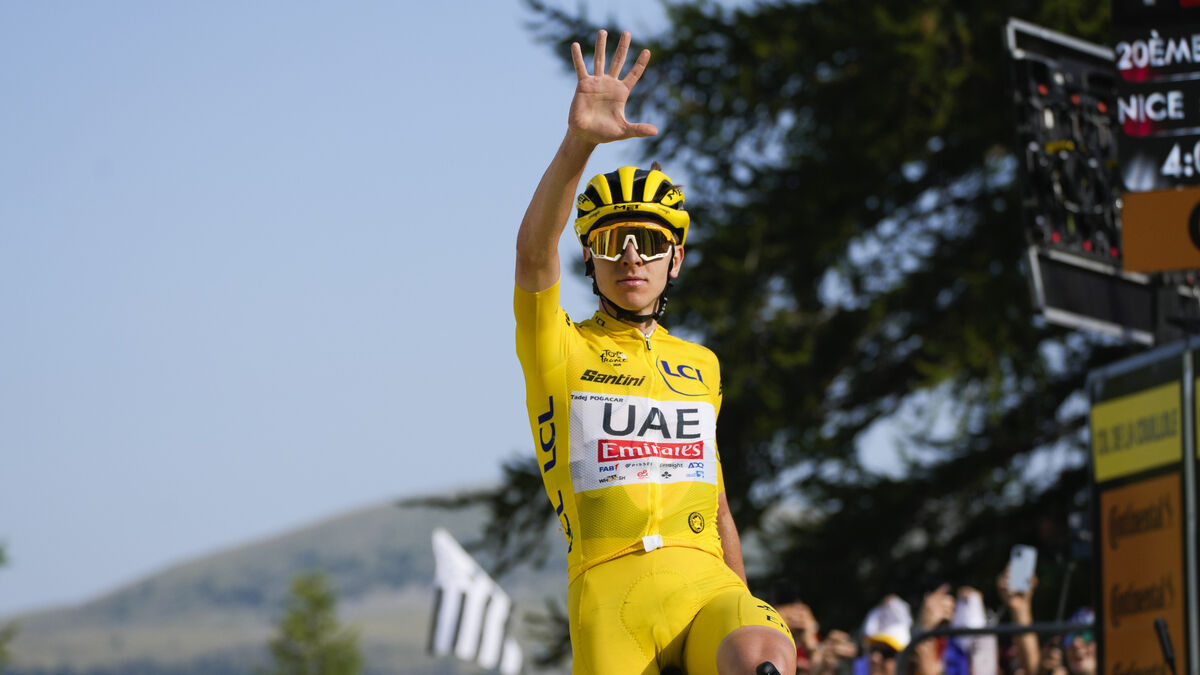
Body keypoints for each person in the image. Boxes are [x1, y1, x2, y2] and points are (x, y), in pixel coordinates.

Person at [513, 29, 796, 675]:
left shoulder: (702, 364)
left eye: (648, 240)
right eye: (611, 241)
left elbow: (717, 503)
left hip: (707, 586)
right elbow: (532, 254)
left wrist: (744, 599)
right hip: (612, 595)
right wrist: (580, 142)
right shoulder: (558, 344)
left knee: (761, 656)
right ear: (589, 259)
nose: (631, 256)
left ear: (677, 258)